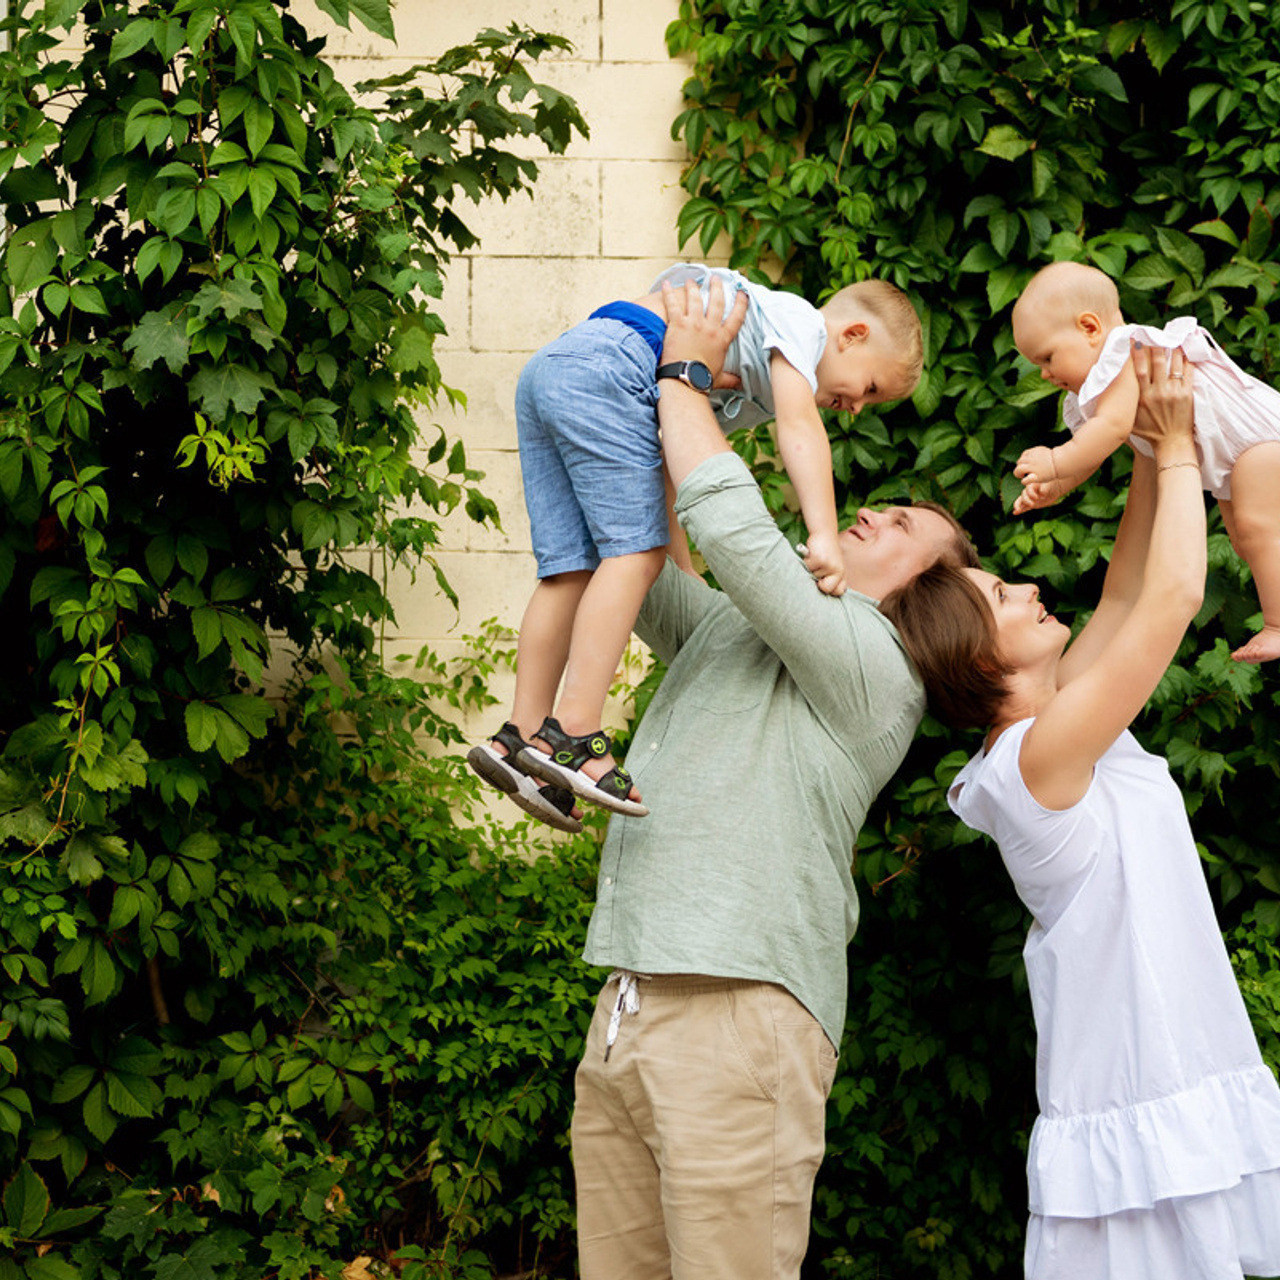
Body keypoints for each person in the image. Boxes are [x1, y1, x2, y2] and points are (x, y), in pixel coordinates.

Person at [569, 276, 978, 1280]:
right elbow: (635, 552)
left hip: (739, 1014)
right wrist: (598, 395)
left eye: (892, 526)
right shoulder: (737, 629)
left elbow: (735, 531)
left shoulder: (875, 668)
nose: (865, 512)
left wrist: (686, 374)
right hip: (628, 1003)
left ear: (915, 596)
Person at [882, 342, 1280, 1280]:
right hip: (1139, 1109)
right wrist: (1182, 446)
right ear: (982, 662)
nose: (1026, 587)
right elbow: (1175, 598)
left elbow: (1129, 589)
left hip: (1182, 1081)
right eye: (1001, 597)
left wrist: (1145, 440)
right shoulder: (1034, 762)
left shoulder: (1061, 728)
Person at [466, 265, 924, 829]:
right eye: (870, 389)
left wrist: (681, 567)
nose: (855, 408)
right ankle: (576, 731)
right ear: (852, 336)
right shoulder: (800, 328)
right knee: (630, 556)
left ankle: (522, 736)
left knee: (569, 571)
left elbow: (666, 460)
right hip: (615, 366)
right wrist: (824, 535)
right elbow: (802, 431)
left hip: (561, 366)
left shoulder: (750, 360)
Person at [1008, 258, 1280, 663]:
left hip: (1255, 438)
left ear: (1089, 327)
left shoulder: (1124, 353)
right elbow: (1095, 446)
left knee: (1260, 531)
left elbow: (1112, 431)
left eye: (1047, 358)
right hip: (1233, 456)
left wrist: (1055, 459)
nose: (1045, 374)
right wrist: (1060, 483)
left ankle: (1277, 625)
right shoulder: (1106, 378)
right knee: (1247, 541)